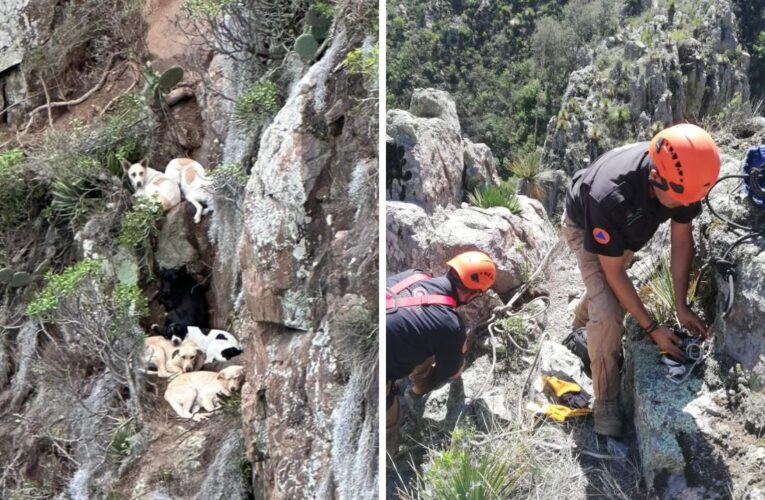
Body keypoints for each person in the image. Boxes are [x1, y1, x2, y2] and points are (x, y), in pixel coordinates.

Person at [561, 123, 720, 437]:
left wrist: (681, 306)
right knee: (608, 313)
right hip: (587, 227)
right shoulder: (610, 196)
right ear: (654, 177)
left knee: (603, 293)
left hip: (629, 231)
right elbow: (614, 271)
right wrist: (652, 329)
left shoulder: (683, 177)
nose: (681, 206)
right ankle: (605, 401)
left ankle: (580, 321)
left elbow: (682, 241)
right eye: (677, 200)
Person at [385, 251, 496, 455]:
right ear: (472, 294)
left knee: (426, 342)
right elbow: (451, 372)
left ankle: (416, 387)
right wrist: (452, 357)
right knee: (389, 417)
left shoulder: (414, 275)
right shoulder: (449, 325)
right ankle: (387, 456)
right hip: (378, 367)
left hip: (368, 334)